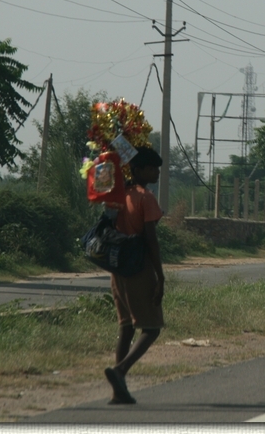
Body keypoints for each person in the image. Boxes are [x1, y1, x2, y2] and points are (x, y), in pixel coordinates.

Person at [104, 146, 166, 405]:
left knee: (127, 328)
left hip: (118, 269)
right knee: (151, 328)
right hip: (139, 268)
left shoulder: (119, 195)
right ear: (138, 170)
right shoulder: (146, 197)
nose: (157, 173)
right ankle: (120, 371)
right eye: (152, 168)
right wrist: (160, 276)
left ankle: (119, 391)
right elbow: (151, 240)